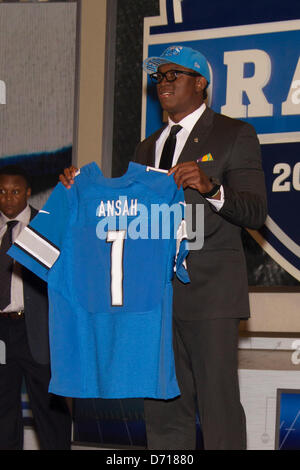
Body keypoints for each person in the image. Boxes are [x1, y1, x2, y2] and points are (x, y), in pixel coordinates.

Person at [59, 45, 267, 450]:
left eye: (174, 75)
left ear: (201, 83)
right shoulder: (146, 147)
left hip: (209, 295)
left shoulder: (233, 134)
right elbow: (126, 215)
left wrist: (212, 188)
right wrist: (77, 192)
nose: (164, 84)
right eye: (159, 77)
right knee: (163, 407)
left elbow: (256, 211)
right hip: (153, 297)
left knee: (218, 408)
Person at [0, 165, 72, 450]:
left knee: (48, 406)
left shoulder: (43, 226)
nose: (8, 198)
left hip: (36, 329)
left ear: (28, 193)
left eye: (15, 191)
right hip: (1, 331)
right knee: (3, 408)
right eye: (2, 192)